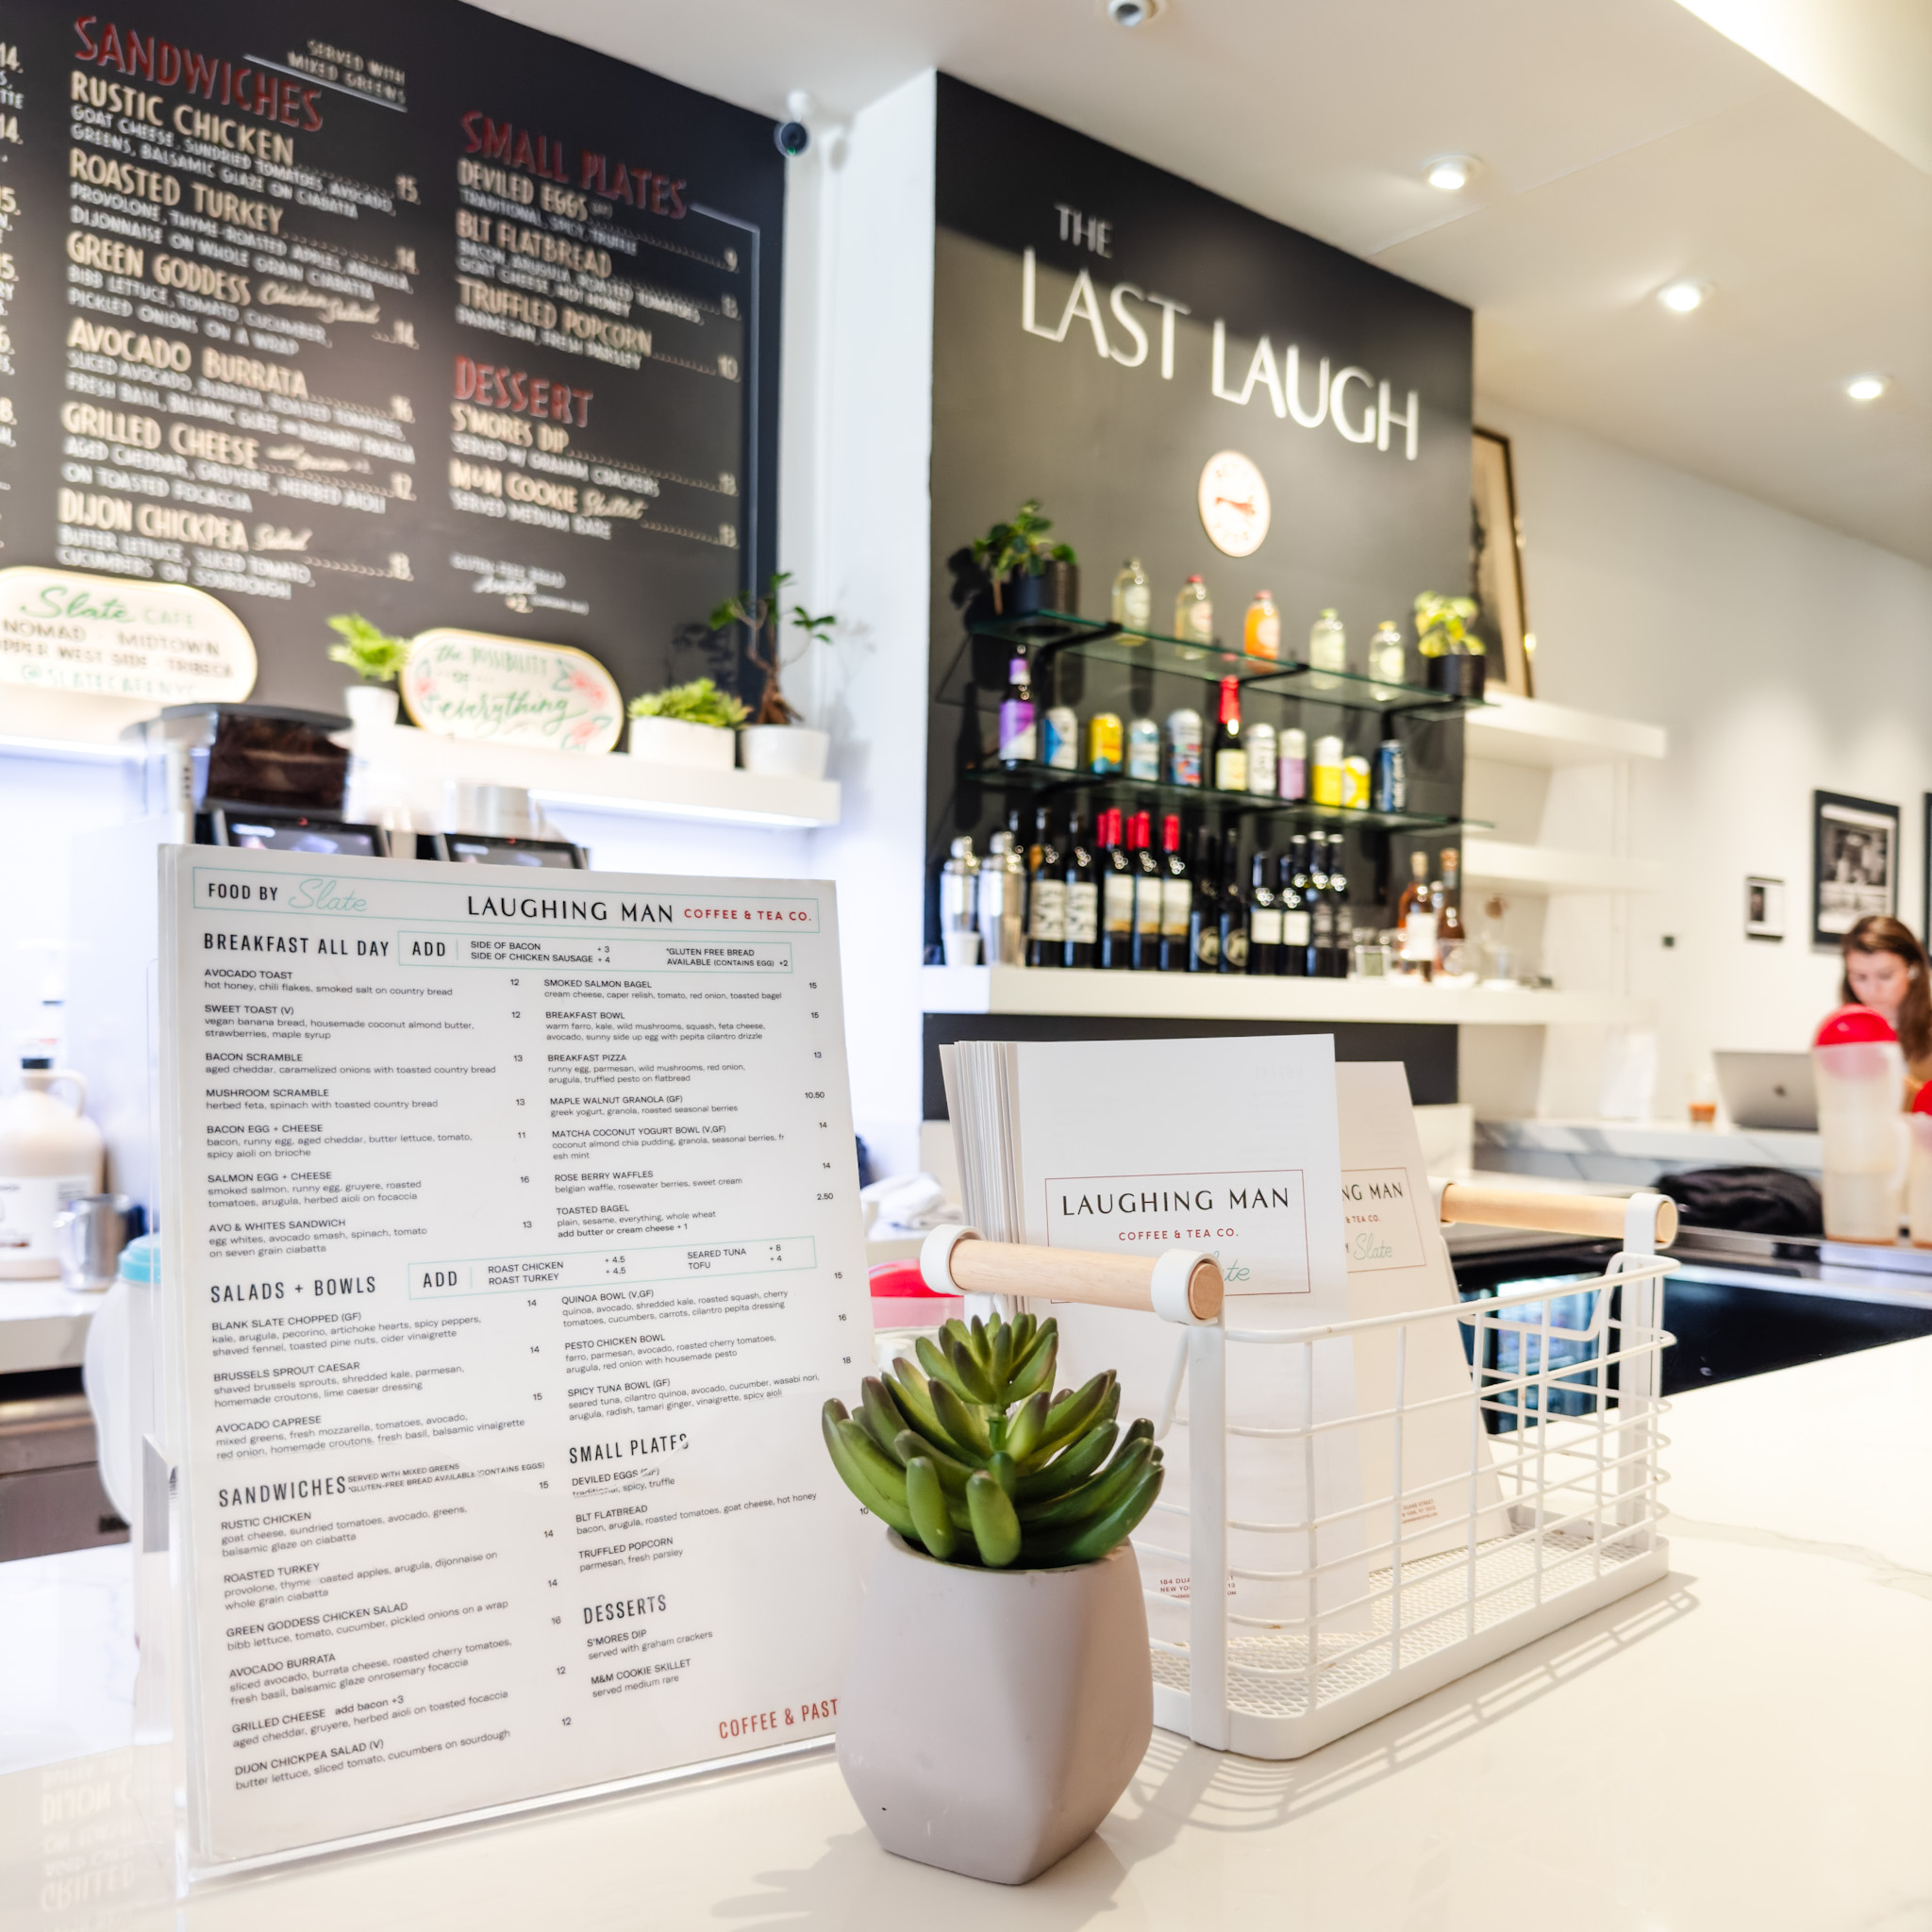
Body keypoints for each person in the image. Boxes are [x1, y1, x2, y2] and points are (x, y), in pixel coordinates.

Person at [1839, 914, 1932, 1087]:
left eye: (1885, 976)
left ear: (1913, 970)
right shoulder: (1841, 1031)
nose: (1873, 990)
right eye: (1860, 977)